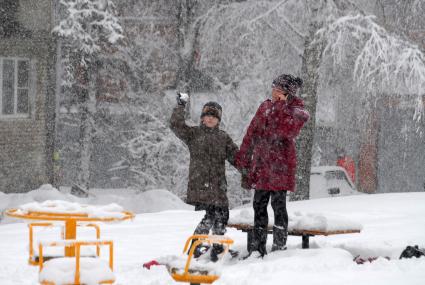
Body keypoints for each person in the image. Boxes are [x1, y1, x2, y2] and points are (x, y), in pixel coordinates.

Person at [236, 74, 310, 257]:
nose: (275, 91)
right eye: (274, 87)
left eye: (279, 89)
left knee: (278, 206)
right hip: (262, 165)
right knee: (258, 206)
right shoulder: (265, 106)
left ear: (287, 93)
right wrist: (244, 158)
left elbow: (286, 131)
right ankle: (257, 248)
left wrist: (280, 106)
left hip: (280, 167)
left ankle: (279, 247)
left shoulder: (297, 111)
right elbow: (251, 132)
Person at [170, 92, 239, 261]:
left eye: (214, 117)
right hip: (201, 184)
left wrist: (251, 170)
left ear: (218, 120)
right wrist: (180, 106)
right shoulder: (194, 134)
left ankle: (216, 246)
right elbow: (176, 125)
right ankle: (202, 246)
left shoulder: (223, 138)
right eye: (207, 116)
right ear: (202, 118)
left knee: (221, 214)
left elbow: (237, 158)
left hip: (218, 185)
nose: (210, 119)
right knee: (213, 214)